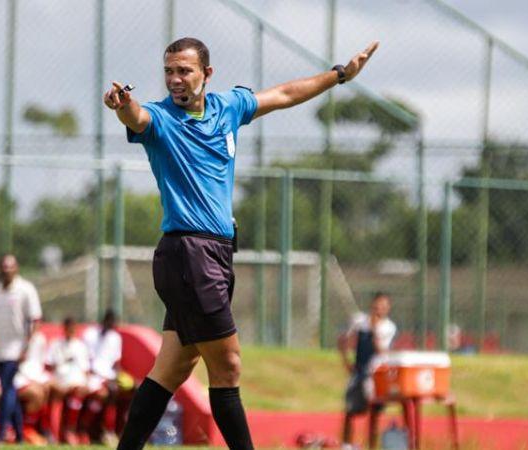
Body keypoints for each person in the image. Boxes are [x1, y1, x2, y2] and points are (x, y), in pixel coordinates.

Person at [103, 36, 379, 450]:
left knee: (174, 366)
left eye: (184, 71)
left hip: (211, 255)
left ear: (206, 74)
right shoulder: (159, 119)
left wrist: (340, 74)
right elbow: (136, 116)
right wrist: (122, 104)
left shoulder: (228, 107)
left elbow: (285, 94)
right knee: (228, 365)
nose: (175, 79)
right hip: (189, 254)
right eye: (169, 71)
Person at [0, 254, 42, 443]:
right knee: (9, 388)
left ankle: (1, 433)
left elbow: (35, 319)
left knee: (7, 388)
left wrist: (27, 347)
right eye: (4, 266)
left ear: (16, 268)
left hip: (17, 347)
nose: (7, 270)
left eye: (10, 266)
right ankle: (20, 435)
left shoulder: (25, 289)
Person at [337, 293, 396, 450]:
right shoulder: (360, 321)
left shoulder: (388, 327)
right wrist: (346, 362)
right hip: (359, 372)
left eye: (384, 305)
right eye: (377, 304)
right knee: (351, 410)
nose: (379, 308)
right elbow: (344, 341)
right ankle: (347, 445)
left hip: (376, 374)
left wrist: (374, 330)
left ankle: (372, 445)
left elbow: (381, 350)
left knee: (375, 412)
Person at [47, 317, 91, 444]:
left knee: (79, 394)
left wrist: (86, 382)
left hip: (76, 382)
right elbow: (49, 366)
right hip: (60, 381)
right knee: (57, 395)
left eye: (73, 328)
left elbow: (85, 370)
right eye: (68, 328)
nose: (70, 331)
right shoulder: (55, 344)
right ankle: (54, 434)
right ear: (64, 329)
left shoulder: (81, 346)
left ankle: (72, 430)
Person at [81, 309, 123, 444]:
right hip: (92, 375)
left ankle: (109, 431)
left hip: (108, 377)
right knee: (103, 394)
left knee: (120, 390)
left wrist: (118, 376)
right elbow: (84, 358)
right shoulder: (90, 334)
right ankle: (85, 429)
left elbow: (116, 363)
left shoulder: (115, 337)